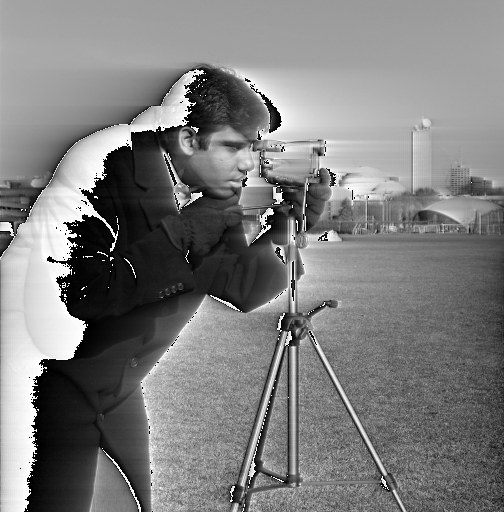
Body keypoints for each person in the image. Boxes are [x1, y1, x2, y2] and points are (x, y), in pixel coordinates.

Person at [0, 64, 331, 512]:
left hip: (114, 382)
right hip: (40, 378)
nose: (248, 163)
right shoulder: (107, 159)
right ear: (188, 138)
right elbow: (82, 293)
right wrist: (198, 223)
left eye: (253, 147)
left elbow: (241, 287)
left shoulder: (212, 194)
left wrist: (287, 226)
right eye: (234, 146)